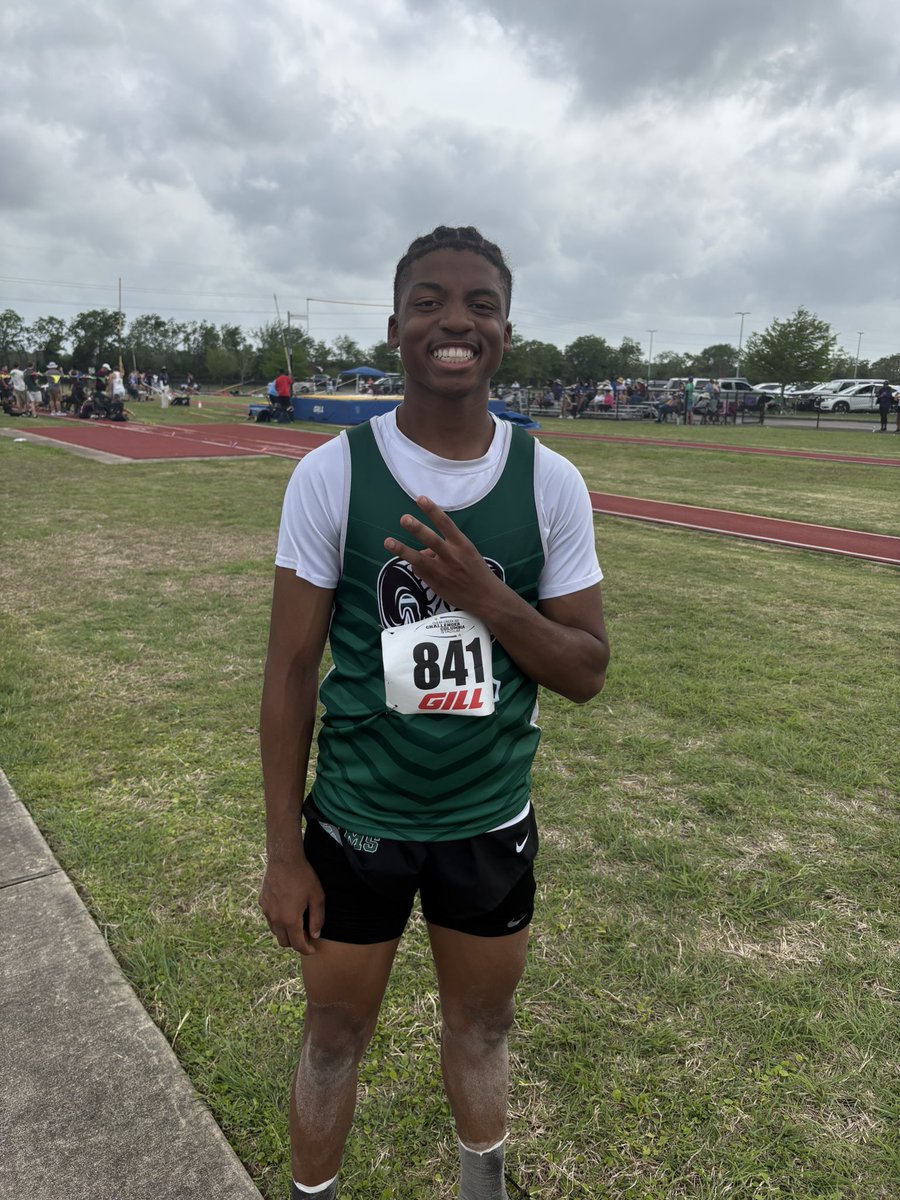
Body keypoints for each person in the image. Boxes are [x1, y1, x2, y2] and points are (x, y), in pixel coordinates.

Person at [259, 225, 610, 1200]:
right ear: (397, 324)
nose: (454, 320)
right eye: (430, 301)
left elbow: (585, 670)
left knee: (482, 1030)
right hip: (356, 825)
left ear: (504, 330)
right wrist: (285, 852)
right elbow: (289, 672)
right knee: (332, 1036)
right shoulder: (332, 473)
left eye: (479, 304)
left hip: (486, 825)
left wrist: (485, 593)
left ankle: (480, 1188)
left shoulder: (551, 482)